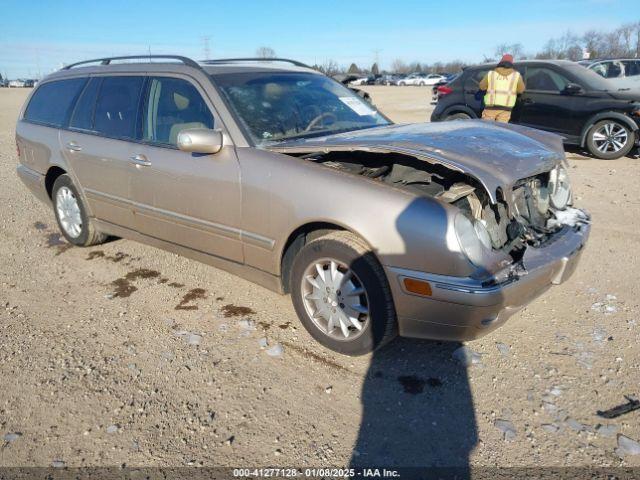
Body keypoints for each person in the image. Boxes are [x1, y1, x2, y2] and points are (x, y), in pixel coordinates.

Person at [479, 54, 525, 123]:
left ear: (500, 62)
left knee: (487, 129)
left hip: (491, 107)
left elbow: (482, 87)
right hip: (506, 109)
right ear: (512, 63)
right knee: (500, 130)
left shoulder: (491, 74)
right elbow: (521, 90)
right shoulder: (516, 75)